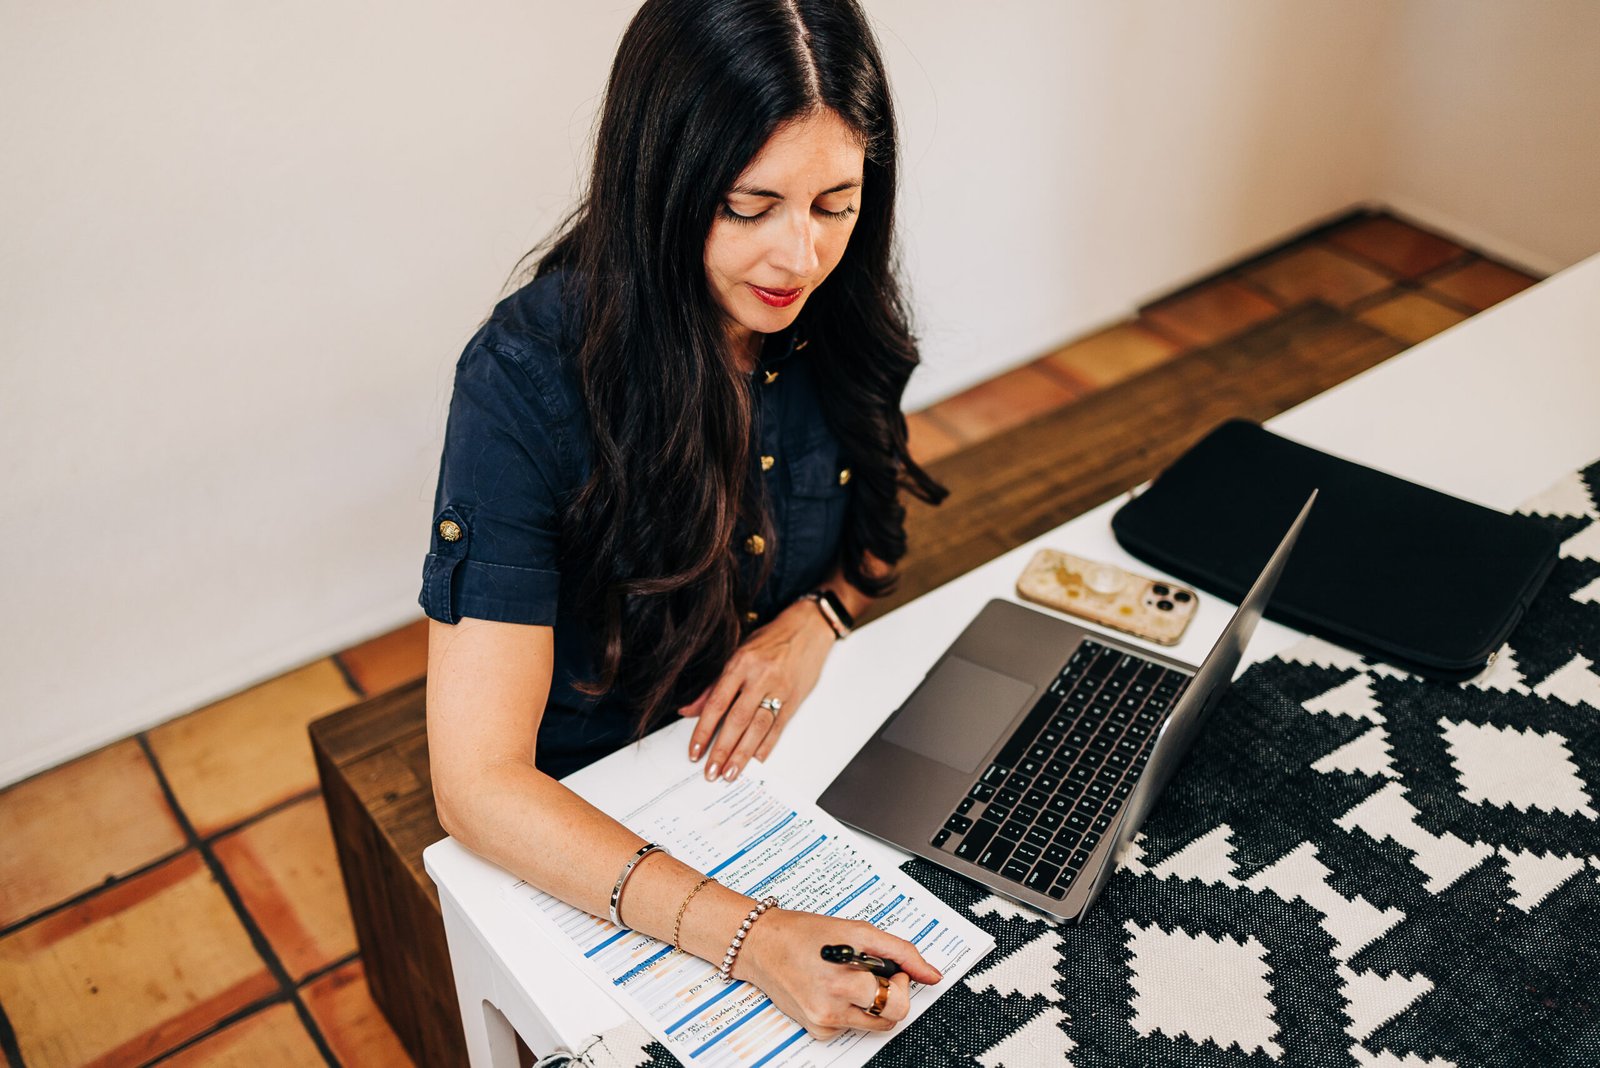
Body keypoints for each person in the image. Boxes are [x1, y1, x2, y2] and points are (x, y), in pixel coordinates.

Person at [421, 0, 948, 1039]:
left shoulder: (832, 305)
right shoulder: (523, 379)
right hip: (597, 811)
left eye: (835, 205)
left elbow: (874, 536)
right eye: (750, 207)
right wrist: (752, 939)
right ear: (659, 182)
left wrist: (817, 622)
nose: (799, 257)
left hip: (778, 777)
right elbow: (476, 784)